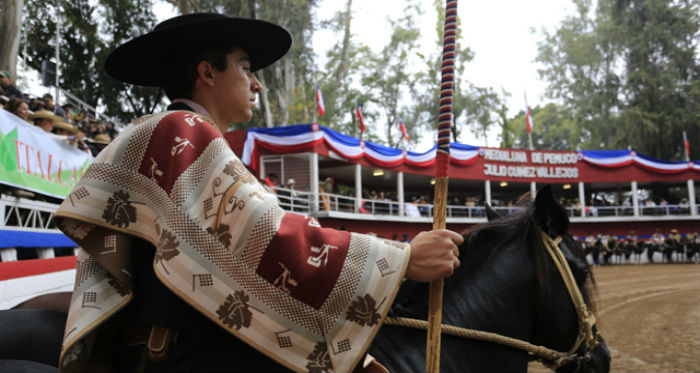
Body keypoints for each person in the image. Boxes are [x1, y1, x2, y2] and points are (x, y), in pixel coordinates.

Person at [52, 13, 462, 373]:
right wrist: (401, 258)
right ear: (207, 74)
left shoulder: (179, 135)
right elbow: (267, 234)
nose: (257, 85)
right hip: (185, 356)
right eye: (246, 68)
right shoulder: (184, 131)